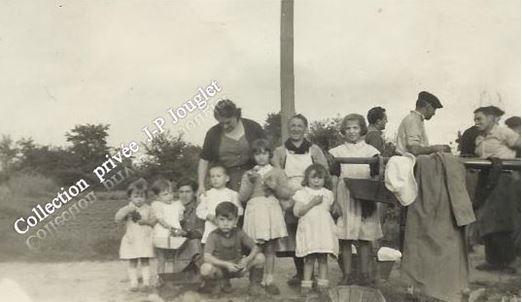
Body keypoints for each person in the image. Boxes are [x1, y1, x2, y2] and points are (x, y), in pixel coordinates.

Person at [271, 114, 328, 287]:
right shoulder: (280, 151)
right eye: (293, 126)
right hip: (290, 197)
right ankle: (302, 273)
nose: (296, 129)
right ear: (289, 128)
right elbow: (276, 174)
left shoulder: (314, 150)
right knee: (296, 236)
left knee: (314, 234)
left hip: (311, 194)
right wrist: (285, 194)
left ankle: (317, 274)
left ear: (305, 128)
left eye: (299, 126)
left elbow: (324, 171)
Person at [329, 114, 382, 286]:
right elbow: (335, 178)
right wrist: (335, 201)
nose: (352, 132)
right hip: (345, 196)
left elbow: (375, 178)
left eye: (355, 128)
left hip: (365, 196)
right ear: (343, 131)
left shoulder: (371, 152)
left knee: (364, 237)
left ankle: (364, 274)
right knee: (345, 237)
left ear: (362, 130)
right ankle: (347, 274)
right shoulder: (338, 152)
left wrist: (371, 200)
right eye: (348, 128)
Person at [239, 139, 292, 295]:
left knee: (270, 247)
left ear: (270, 154)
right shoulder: (248, 174)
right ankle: (254, 281)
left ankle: (269, 280)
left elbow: (286, 194)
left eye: (264, 153)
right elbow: (242, 197)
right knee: (255, 247)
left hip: (271, 210)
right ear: (253, 156)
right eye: (257, 154)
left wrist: (274, 187)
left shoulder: (277, 171)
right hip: (255, 211)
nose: (261, 157)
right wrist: (250, 182)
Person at [198, 99, 266, 196]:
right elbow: (204, 159)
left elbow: (267, 150)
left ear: (236, 115)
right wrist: (201, 185)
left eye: (228, 122)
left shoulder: (253, 127)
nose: (225, 126)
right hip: (225, 181)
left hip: (252, 176)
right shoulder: (213, 133)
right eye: (221, 123)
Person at [199, 202, 266, 296]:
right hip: (220, 269)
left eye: (229, 220)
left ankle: (255, 285)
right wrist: (226, 264)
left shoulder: (239, 233)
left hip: (237, 267)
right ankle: (216, 285)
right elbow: (207, 257)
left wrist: (247, 260)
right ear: (216, 220)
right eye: (221, 220)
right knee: (205, 268)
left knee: (260, 257)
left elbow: (256, 247)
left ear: (236, 220)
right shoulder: (213, 235)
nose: (225, 223)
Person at [293, 164, 338, 299]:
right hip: (310, 230)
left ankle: (322, 285)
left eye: (320, 178)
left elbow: (329, 209)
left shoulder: (328, 194)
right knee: (310, 258)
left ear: (325, 179)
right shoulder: (302, 193)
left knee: (323, 258)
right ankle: (306, 285)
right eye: (313, 178)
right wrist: (312, 203)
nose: (317, 181)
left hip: (323, 230)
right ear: (307, 179)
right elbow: (297, 212)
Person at [115, 178, 156, 292]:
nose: (139, 199)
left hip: (144, 238)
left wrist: (146, 222)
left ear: (145, 197)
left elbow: (154, 221)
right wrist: (126, 211)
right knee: (132, 260)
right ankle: (134, 283)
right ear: (130, 197)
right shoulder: (127, 208)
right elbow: (117, 218)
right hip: (132, 238)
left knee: (144, 260)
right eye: (136, 196)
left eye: (142, 196)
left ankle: (146, 282)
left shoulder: (148, 208)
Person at [150, 178, 185, 286]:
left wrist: (178, 228)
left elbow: (180, 218)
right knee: (161, 259)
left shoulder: (177, 204)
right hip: (162, 234)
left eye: (171, 193)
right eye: (165, 194)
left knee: (172, 258)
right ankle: (159, 278)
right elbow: (161, 220)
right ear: (157, 197)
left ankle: (170, 278)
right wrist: (171, 228)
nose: (170, 196)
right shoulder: (157, 205)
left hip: (174, 234)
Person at [196, 165, 243, 244]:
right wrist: (209, 216)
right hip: (211, 226)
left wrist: (231, 218)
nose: (215, 179)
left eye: (218, 176)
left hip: (228, 227)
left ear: (227, 178)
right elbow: (199, 210)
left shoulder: (233, 194)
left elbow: (240, 210)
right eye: (212, 176)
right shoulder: (206, 194)